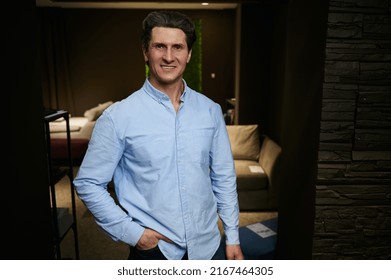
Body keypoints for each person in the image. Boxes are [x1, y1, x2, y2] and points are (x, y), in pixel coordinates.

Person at [73, 10, 244, 260]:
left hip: (209, 247)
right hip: (155, 252)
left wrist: (233, 237)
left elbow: (224, 177)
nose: (168, 56)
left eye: (178, 47)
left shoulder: (210, 110)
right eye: (159, 46)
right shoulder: (118, 117)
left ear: (189, 54)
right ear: (146, 52)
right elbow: (87, 183)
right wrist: (135, 234)